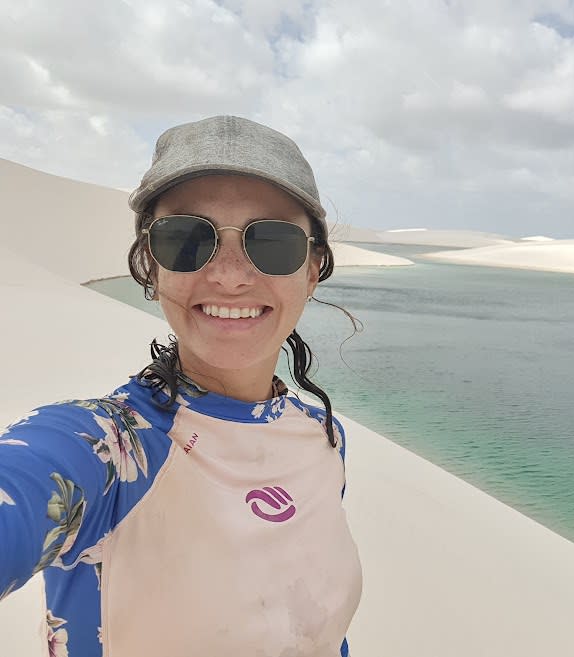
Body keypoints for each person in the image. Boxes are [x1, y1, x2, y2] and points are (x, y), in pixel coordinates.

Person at [0, 116, 363, 656]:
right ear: (151, 262)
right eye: (188, 239)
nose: (231, 275)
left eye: (275, 242)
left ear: (312, 269)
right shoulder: (108, 451)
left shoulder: (322, 438)